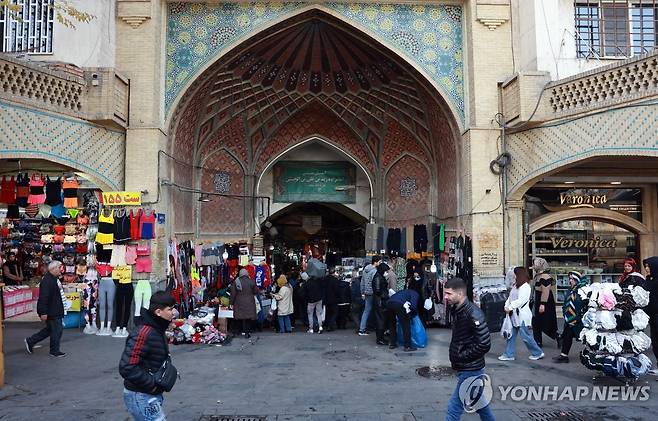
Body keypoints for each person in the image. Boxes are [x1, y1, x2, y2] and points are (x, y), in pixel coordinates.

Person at [119, 291, 176, 421]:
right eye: (170, 309)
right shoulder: (144, 333)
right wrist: (152, 385)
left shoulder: (157, 328)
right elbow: (127, 367)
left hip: (149, 394)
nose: (173, 313)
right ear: (158, 312)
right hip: (141, 395)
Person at [444, 277, 495, 421]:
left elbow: (484, 343)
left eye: (449, 294)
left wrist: (462, 356)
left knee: (453, 409)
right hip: (467, 368)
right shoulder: (458, 310)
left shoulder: (473, 313)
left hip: (471, 369)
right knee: (480, 404)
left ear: (460, 294)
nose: (446, 297)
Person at [498, 267, 544, 361]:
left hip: (521, 315)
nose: (513, 275)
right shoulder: (516, 285)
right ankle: (508, 354)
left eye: (515, 273)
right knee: (511, 335)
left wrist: (510, 307)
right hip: (514, 315)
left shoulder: (525, 287)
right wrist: (506, 305)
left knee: (526, 336)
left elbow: (521, 301)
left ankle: (538, 352)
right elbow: (510, 298)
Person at [25, 260, 66, 357]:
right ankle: (54, 351)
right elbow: (44, 297)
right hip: (52, 311)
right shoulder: (47, 281)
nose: (61, 270)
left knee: (50, 330)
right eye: (59, 268)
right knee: (57, 330)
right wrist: (43, 312)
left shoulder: (53, 279)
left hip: (55, 309)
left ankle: (30, 341)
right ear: (53, 269)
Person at [553, 271, 589, 363]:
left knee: (587, 338)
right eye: (569, 279)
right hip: (571, 318)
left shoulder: (583, 290)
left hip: (580, 319)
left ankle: (592, 356)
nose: (570, 281)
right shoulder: (571, 289)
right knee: (568, 335)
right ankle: (564, 355)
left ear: (577, 280)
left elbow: (586, 303)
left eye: (572, 279)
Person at [531, 258, 559, 348]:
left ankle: (558, 337)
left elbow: (545, 291)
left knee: (546, 322)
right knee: (536, 322)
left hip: (544, 301)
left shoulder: (545, 276)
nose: (533, 266)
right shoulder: (538, 275)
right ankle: (538, 342)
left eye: (535, 264)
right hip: (539, 300)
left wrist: (542, 304)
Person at [230, 268, 258, 338]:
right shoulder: (251, 281)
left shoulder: (236, 282)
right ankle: (247, 333)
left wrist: (231, 303)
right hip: (250, 302)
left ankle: (237, 332)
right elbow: (256, 291)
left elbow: (233, 293)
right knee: (248, 319)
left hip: (239, 302)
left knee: (238, 318)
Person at [642, 257, 658, 374]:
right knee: (656, 343)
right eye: (646, 266)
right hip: (652, 317)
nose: (647, 269)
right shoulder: (649, 281)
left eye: (649, 266)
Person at [359, 256, 380, 335]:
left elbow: (362, 282)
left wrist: (362, 292)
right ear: (375, 262)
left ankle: (362, 328)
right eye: (379, 262)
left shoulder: (365, 270)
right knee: (374, 310)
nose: (379, 263)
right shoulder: (374, 271)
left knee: (366, 310)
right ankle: (368, 327)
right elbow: (374, 283)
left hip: (366, 292)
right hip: (372, 292)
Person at [372, 262, 391, 345]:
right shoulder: (378, 278)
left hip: (381, 301)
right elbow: (377, 290)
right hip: (380, 302)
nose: (386, 272)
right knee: (380, 320)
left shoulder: (379, 276)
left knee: (381, 320)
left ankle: (381, 338)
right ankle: (380, 339)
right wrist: (385, 294)